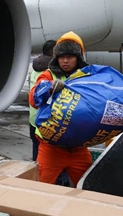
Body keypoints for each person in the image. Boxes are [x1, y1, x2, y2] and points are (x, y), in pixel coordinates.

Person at [29, 31, 93, 186]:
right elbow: (33, 98)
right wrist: (48, 87)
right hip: (51, 147)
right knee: (41, 188)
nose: (65, 61)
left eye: (69, 57)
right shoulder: (48, 75)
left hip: (78, 148)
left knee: (89, 187)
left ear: (78, 58)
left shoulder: (87, 77)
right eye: (61, 57)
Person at [27, 39, 57, 161]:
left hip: (33, 119)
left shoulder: (35, 70)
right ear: (54, 53)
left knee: (36, 153)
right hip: (44, 120)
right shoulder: (49, 73)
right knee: (47, 157)